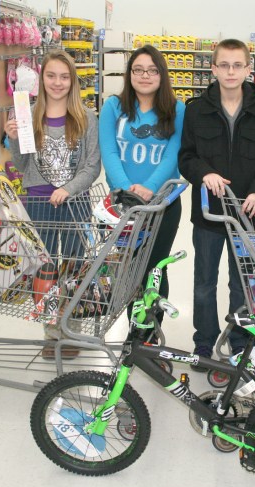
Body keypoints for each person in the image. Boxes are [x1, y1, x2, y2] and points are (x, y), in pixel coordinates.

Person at [179, 38, 255, 365]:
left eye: (238, 65)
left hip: (247, 215)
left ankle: (239, 344)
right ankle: (204, 344)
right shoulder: (197, 110)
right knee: (204, 284)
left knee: (242, 286)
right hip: (209, 215)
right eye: (224, 65)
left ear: (249, 69)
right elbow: (186, 157)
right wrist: (205, 173)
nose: (231, 71)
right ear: (214, 69)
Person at [5, 50, 101, 359]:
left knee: (74, 268)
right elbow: (22, 165)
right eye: (51, 76)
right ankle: (51, 331)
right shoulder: (28, 114)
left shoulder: (86, 117)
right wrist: (13, 140)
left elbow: (91, 167)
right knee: (44, 270)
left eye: (64, 76)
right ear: (41, 78)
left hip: (75, 205)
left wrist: (67, 189)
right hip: (37, 203)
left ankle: (71, 329)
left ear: (72, 80)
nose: (57, 83)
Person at [98, 45, 185, 338]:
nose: (144, 76)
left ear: (161, 74)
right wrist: (125, 190)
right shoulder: (113, 107)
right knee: (130, 270)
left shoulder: (177, 109)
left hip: (163, 205)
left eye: (152, 70)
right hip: (125, 207)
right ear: (129, 74)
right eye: (138, 70)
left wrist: (149, 188)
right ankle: (135, 333)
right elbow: (109, 150)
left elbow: (174, 155)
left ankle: (150, 335)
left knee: (156, 270)